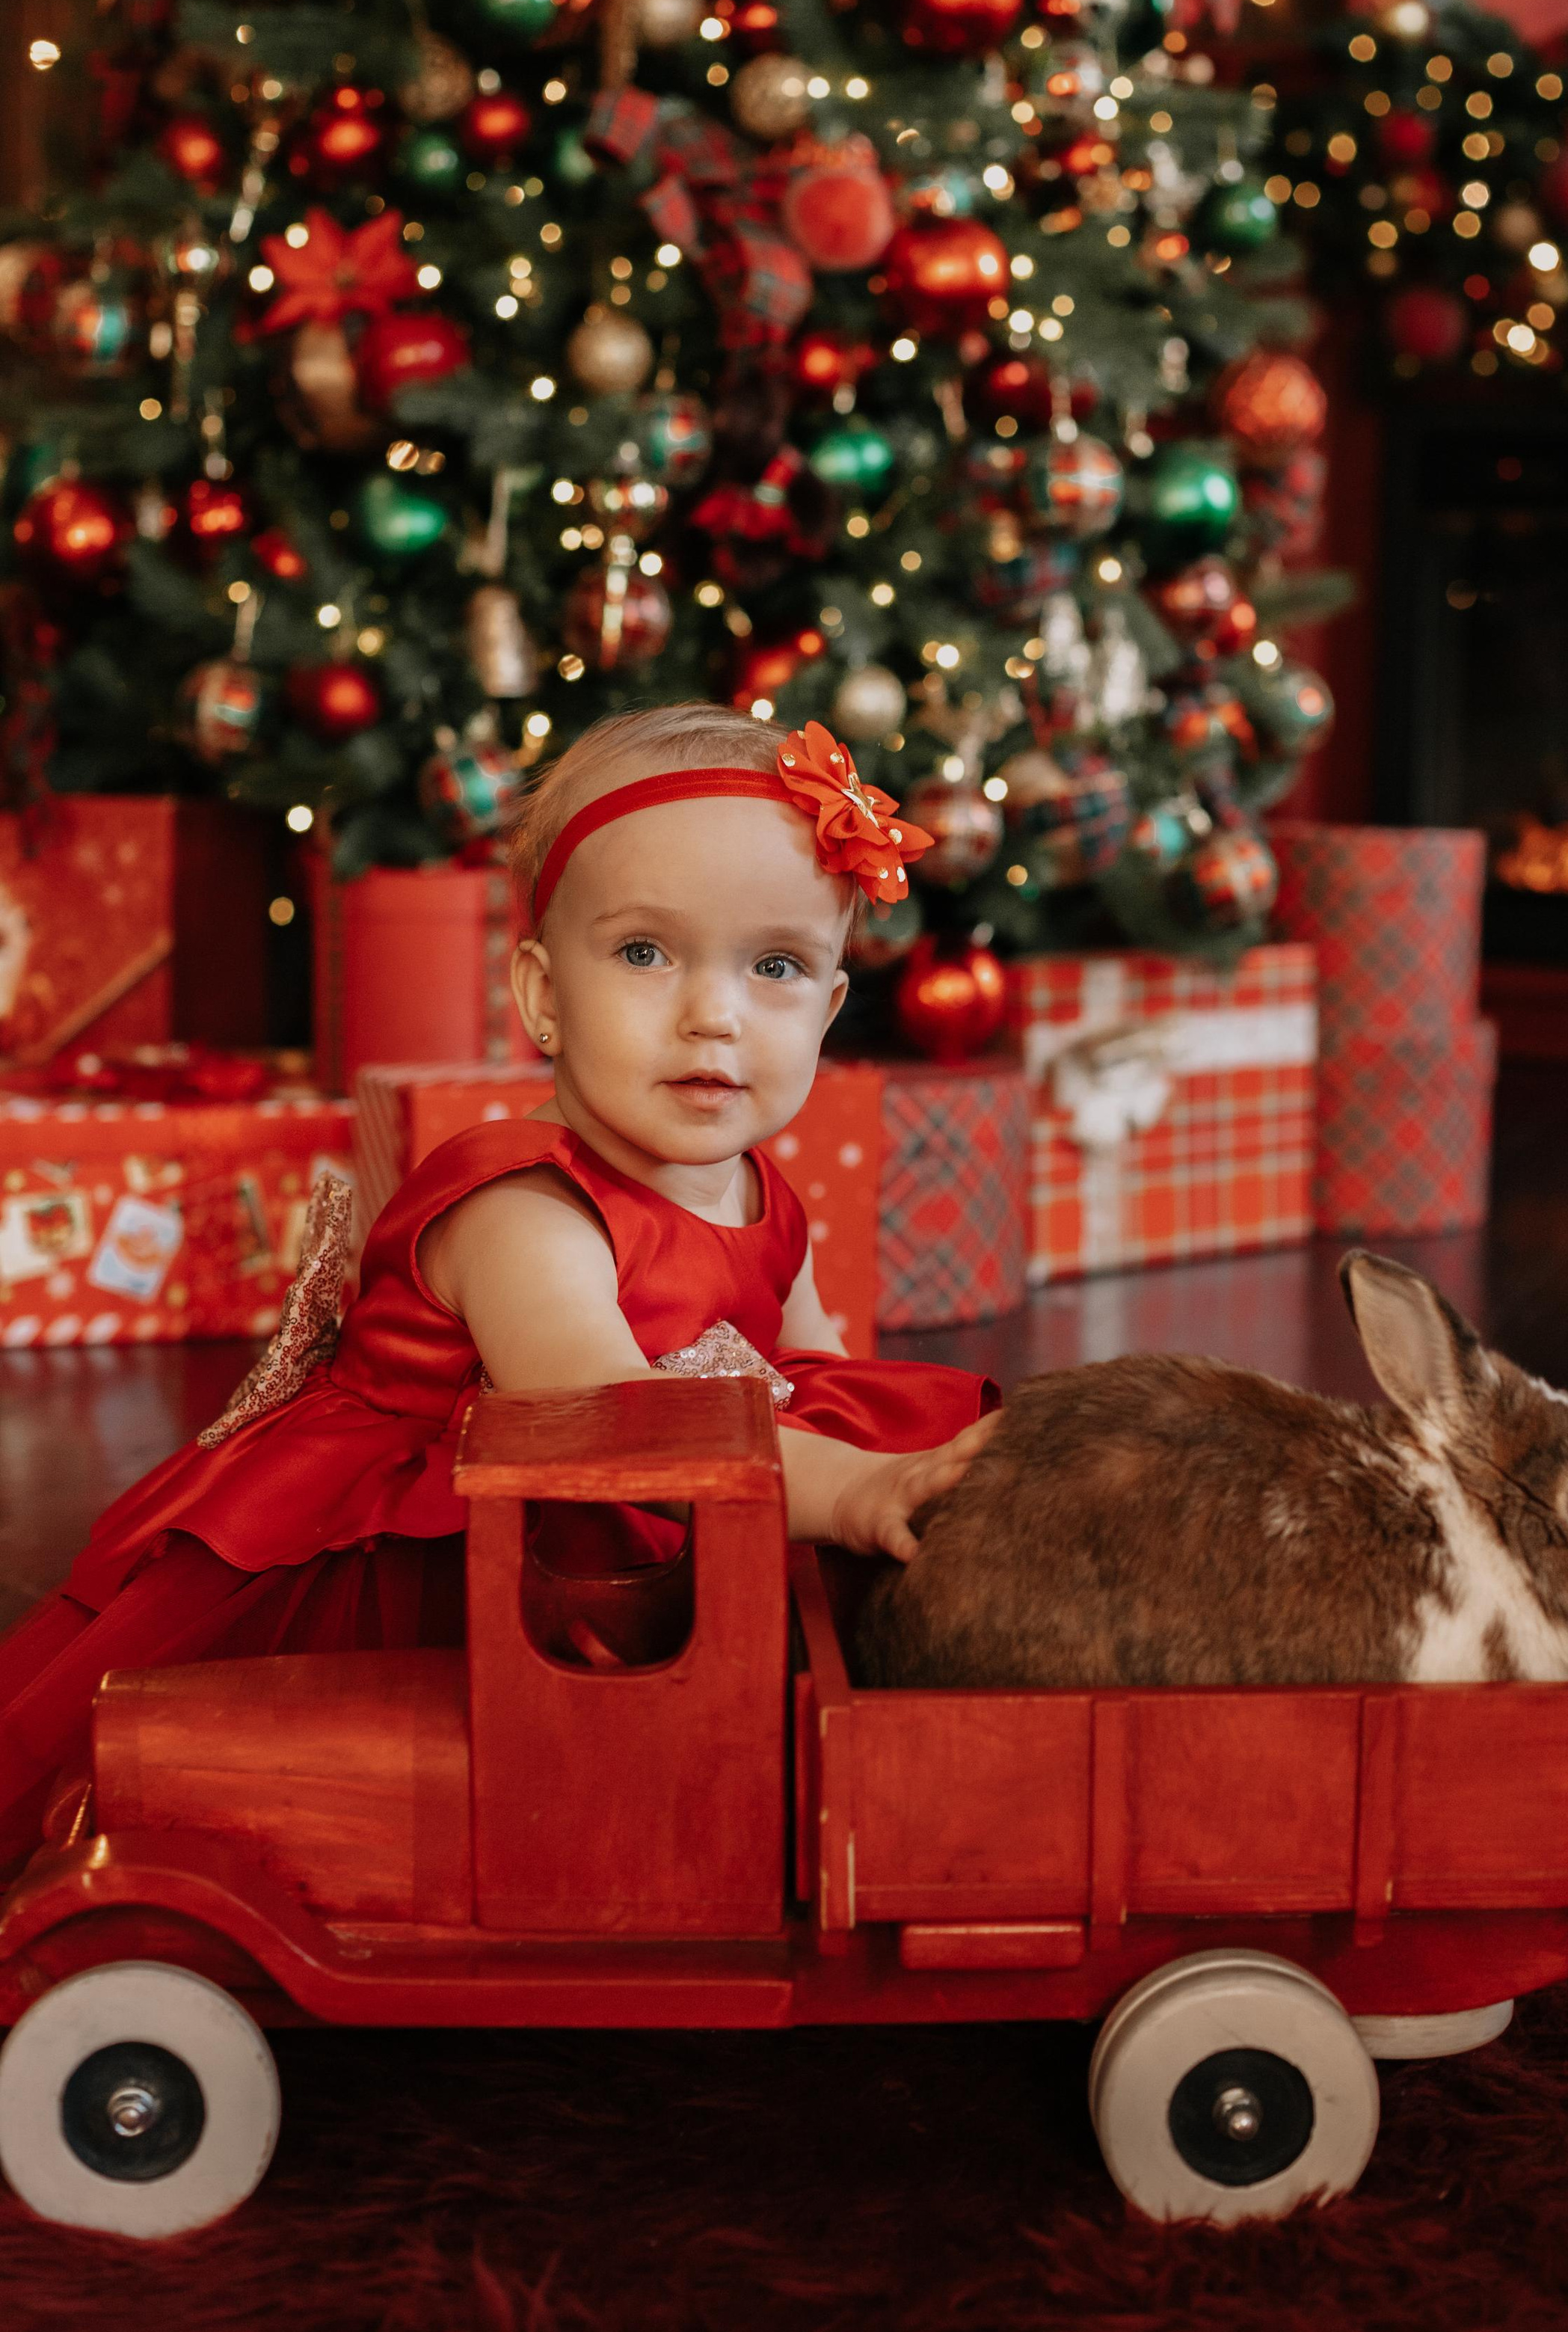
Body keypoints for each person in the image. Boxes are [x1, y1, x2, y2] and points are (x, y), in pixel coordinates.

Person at [0, 704, 999, 1868]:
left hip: (651, 1497)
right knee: (379, 1807)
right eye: (644, 952)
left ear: (829, 1008)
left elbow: (821, 1378)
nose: (713, 1013)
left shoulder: (762, 1194)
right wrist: (849, 1495)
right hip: (443, 1549)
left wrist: (906, 1473)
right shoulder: (523, 1209)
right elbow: (618, 1425)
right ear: (541, 995)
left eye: (775, 965)